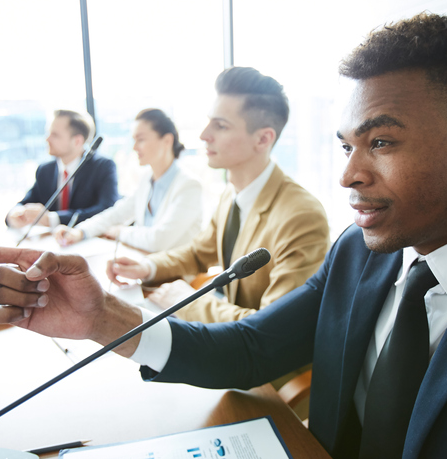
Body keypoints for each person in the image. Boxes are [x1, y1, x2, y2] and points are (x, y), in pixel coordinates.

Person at [0, 13, 447, 459]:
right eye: (347, 144)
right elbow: (253, 347)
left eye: (381, 142)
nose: (349, 173)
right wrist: (106, 320)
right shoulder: (360, 251)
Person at [105, 67, 330, 323]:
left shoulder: (301, 216)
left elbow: (274, 327)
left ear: (263, 139)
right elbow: (199, 253)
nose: (204, 135)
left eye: (220, 126)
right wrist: (148, 267)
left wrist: (186, 302)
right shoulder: (231, 195)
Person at [53, 108, 203, 253]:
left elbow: (159, 240)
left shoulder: (189, 186)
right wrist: (79, 232)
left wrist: (120, 232)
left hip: (177, 276)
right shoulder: (148, 180)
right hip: (144, 265)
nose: (135, 147)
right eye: (134, 140)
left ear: (167, 140)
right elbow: (116, 214)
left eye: (141, 139)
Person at [6, 109, 118, 229]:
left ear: (77, 141)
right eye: (48, 133)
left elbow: (106, 210)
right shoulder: (45, 170)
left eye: (55, 135)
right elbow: (26, 202)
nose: (47, 139)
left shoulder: (103, 167)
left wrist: (53, 219)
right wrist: (15, 214)